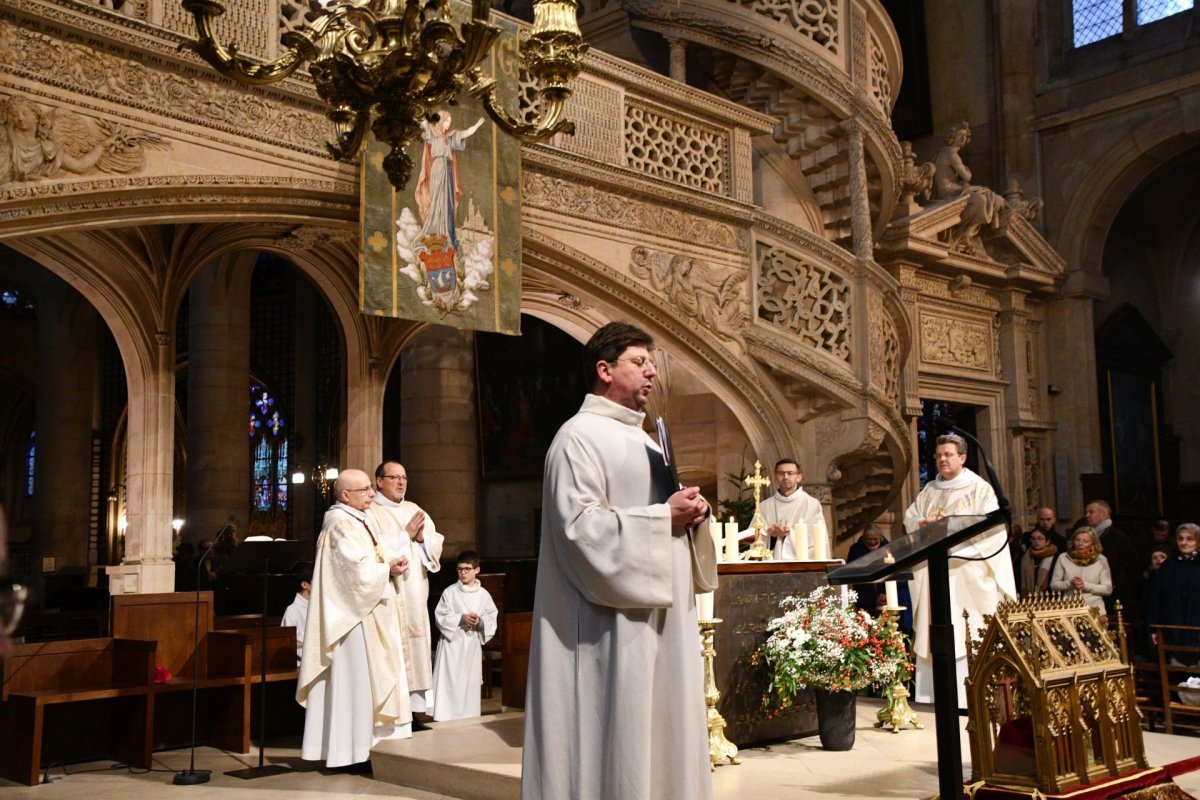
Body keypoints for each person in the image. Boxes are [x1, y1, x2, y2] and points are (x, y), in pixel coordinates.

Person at [521, 321, 715, 800]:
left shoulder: (647, 439)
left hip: (659, 619)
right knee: (617, 733)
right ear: (604, 370)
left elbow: (658, 512)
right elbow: (580, 530)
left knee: (660, 733)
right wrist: (660, 519)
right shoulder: (576, 439)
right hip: (609, 627)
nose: (651, 372)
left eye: (652, 363)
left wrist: (691, 514)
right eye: (639, 362)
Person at [297, 469, 413, 769]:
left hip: (367, 611)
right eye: (364, 490)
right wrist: (384, 570)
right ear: (345, 495)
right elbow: (353, 571)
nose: (371, 494)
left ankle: (368, 747)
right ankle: (350, 751)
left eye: (369, 489)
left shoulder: (361, 519)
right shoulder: (339, 523)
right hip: (350, 621)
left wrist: (389, 563)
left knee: (367, 682)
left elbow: (371, 558)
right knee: (356, 682)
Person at [903, 433, 1015, 707]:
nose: (942, 459)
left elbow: (993, 530)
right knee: (935, 628)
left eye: (948, 455)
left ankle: (970, 694)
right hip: (936, 571)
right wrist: (921, 524)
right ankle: (934, 695)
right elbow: (911, 517)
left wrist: (957, 544)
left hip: (966, 572)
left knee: (968, 629)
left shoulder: (980, 489)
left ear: (962, 458)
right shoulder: (929, 490)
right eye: (939, 455)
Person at [372, 461, 445, 723]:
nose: (401, 482)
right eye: (395, 477)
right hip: (390, 594)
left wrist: (423, 538)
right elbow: (375, 549)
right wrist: (405, 536)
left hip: (414, 593)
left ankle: (415, 714)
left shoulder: (414, 509)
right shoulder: (371, 511)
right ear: (379, 481)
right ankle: (395, 713)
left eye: (404, 477)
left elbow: (435, 543)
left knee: (417, 649)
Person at [429, 550, 498, 722]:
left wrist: (480, 622)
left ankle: (468, 716)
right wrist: (461, 618)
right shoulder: (450, 592)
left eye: (467, 569)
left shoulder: (484, 595)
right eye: (460, 569)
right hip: (451, 645)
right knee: (450, 681)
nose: (463, 572)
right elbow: (440, 616)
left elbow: (491, 617)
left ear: (477, 570)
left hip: (471, 645)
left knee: (468, 682)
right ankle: (445, 716)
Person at [737, 458, 826, 560]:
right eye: (781, 473)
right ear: (775, 478)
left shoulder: (811, 504)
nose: (785, 477)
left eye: (790, 473)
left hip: (800, 566)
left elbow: (815, 540)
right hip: (770, 566)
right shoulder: (764, 506)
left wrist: (787, 534)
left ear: (799, 477)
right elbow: (752, 539)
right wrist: (769, 534)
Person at [1144, 523, 1200, 658]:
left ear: (1198, 542)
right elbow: (1156, 599)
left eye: (1189, 539)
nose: (1184, 542)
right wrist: (1154, 628)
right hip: (1173, 627)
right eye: (1180, 539)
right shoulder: (1168, 566)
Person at [847, 524, 912, 633]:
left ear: (881, 538)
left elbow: (897, 573)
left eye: (875, 539)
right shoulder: (856, 550)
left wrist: (885, 595)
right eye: (869, 539)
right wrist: (874, 598)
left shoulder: (890, 548)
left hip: (889, 594)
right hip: (866, 595)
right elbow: (852, 575)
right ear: (863, 539)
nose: (872, 542)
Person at [1083, 500, 1140, 623]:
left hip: (1117, 596)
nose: (1086, 515)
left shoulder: (1118, 538)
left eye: (1091, 512)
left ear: (1104, 514)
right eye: (1086, 512)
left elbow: (1133, 569)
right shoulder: (1088, 538)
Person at [1050, 527, 1112, 622]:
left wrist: (1086, 586)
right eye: (1077, 540)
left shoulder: (1101, 560)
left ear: (1093, 544)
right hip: (1069, 609)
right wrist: (1070, 584)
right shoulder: (1063, 558)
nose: (1080, 544)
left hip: (1095, 610)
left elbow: (1107, 589)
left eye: (1085, 541)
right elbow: (1054, 585)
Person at [281, 566, 312, 666]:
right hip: (301, 663)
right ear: (304, 585)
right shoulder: (292, 610)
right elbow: (290, 639)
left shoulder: (320, 606)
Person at [1016, 528, 1059, 596]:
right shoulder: (1023, 558)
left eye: (1039, 538)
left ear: (1047, 541)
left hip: (1049, 597)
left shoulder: (1055, 558)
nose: (1036, 541)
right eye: (1033, 538)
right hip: (1028, 599)